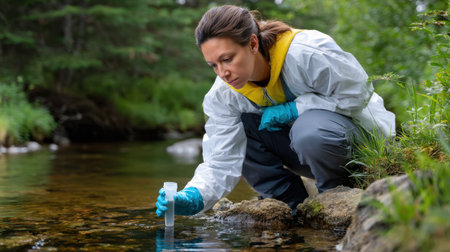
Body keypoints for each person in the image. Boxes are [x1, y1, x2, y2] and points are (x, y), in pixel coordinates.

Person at [155, 5, 395, 217]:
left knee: (309, 129)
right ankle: (289, 208)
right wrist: (194, 196)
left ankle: (335, 197)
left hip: (358, 143)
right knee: (244, 127)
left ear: (252, 43)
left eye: (227, 59)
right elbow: (221, 159)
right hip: (304, 153)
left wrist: (295, 108)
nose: (222, 73)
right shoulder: (223, 95)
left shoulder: (309, 53)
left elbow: (357, 95)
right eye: (213, 65)